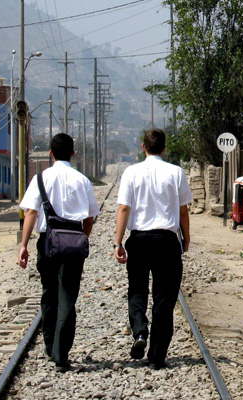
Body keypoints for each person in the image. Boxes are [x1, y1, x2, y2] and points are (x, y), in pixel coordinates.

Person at [18, 133, 99, 372]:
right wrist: (83, 238)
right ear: (73, 154)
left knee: (49, 293)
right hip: (73, 242)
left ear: (51, 153)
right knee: (68, 297)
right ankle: (62, 353)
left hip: (47, 242)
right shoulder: (82, 180)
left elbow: (31, 213)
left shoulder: (40, 178)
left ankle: (49, 346)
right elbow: (90, 217)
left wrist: (23, 245)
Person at [113, 128, 192, 369]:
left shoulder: (132, 172)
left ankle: (139, 332)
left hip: (138, 240)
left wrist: (118, 242)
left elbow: (124, 209)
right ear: (165, 148)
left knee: (137, 291)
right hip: (167, 241)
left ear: (143, 147)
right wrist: (186, 237)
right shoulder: (176, 172)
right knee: (164, 300)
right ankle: (157, 355)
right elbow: (183, 211)